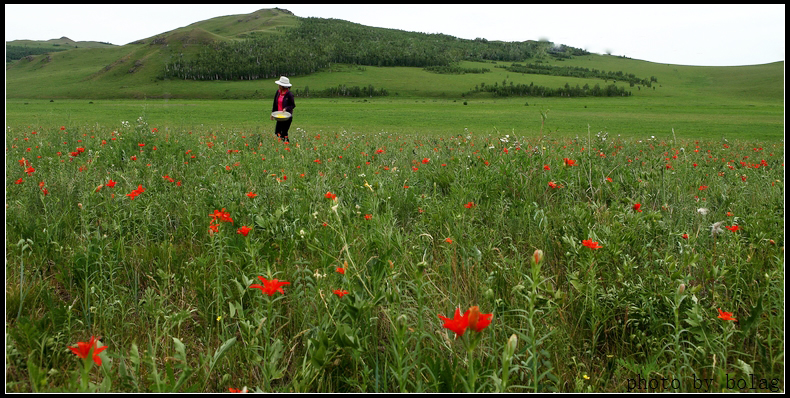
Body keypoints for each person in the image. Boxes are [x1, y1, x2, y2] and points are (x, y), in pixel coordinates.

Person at [271, 76, 295, 143]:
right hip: (279, 116)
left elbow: (292, 105)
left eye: (279, 85)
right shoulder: (278, 92)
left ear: (283, 86)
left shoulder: (289, 95)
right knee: (277, 133)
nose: (278, 86)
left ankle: (287, 146)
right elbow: (275, 104)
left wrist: (286, 108)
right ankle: (282, 145)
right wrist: (272, 113)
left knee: (284, 134)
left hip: (287, 117)